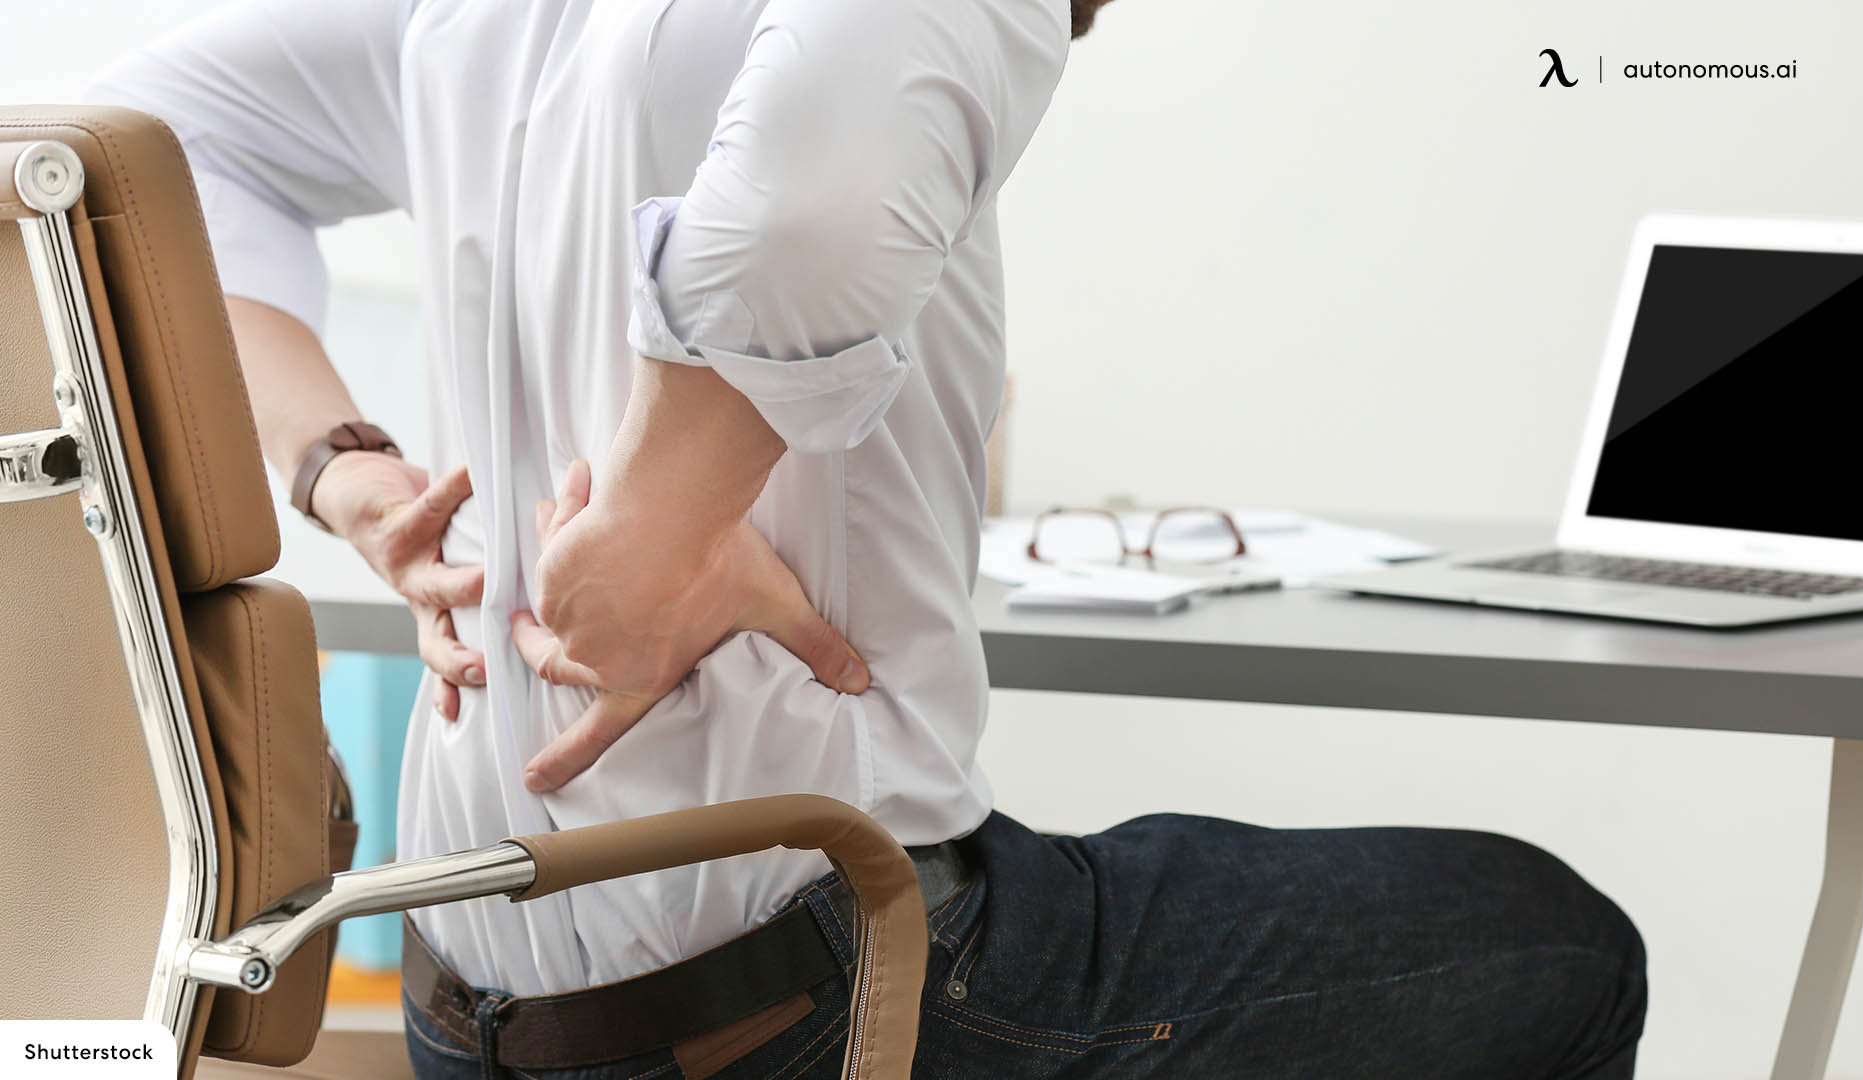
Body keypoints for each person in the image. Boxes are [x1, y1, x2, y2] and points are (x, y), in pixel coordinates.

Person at [90, 0, 1647, 1076]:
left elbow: (133, 144)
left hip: (464, 991)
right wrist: (648, 536)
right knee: (1554, 949)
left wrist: (346, 472)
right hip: (799, 999)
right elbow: (807, 219)